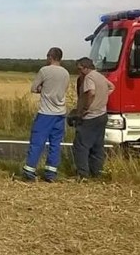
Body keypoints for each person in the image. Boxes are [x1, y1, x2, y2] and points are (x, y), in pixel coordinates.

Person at [21, 47, 70, 182]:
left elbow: (34, 88)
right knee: (55, 144)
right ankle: (50, 173)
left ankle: (29, 170)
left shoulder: (44, 70)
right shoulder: (66, 73)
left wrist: (44, 89)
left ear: (50, 57)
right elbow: (64, 89)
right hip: (60, 112)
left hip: (46, 113)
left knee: (37, 142)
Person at [72, 57, 114, 179]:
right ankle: (97, 173)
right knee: (98, 146)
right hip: (102, 114)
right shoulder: (100, 76)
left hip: (90, 116)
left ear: (86, 68)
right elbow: (112, 87)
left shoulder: (89, 78)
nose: (79, 72)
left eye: (80, 69)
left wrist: (85, 108)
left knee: (81, 146)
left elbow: (91, 92)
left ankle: (83, 175)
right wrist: (103, 97)